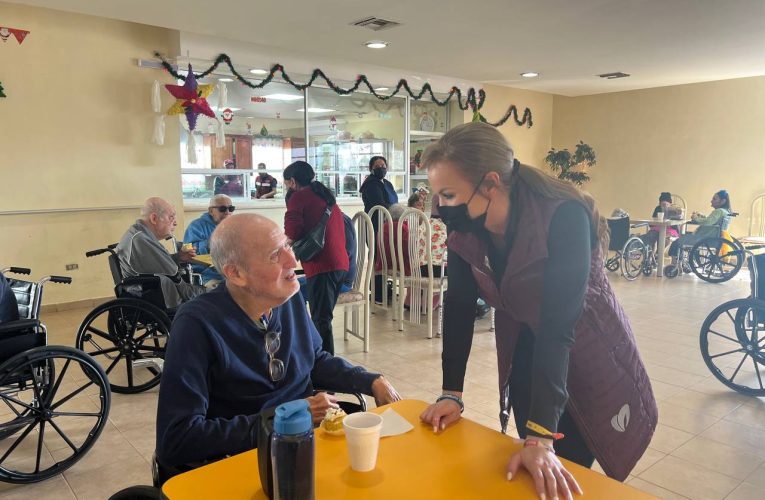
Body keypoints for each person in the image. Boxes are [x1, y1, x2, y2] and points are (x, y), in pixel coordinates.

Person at [418, 122, 657, 499]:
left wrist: (542, 437)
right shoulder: (466, 225)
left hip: (588, 346)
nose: (441, 208)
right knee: (531, 463)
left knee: (570, 464)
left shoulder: (564, 215)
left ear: (490, 184)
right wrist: (451, 393)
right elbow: (460, 305)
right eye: (437, 196)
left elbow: (559, 329)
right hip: (530, 344)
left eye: (448, 194)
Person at [155, 213, 400, 474]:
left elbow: (313, 359)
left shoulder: (287, 297)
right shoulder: (197, 323)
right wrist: (287, 416)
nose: (293, 260)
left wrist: (369, 380)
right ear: (235, 273)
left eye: (287, 246)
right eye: (275, 255)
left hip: (303, 447)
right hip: (244, 462)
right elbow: (177, 439)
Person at [283, 161, 348, 355]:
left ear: (293, 181)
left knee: (321, 319)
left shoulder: (299, 197)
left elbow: (292, 231)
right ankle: (315, 353)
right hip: (339, 263)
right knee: (322, 316)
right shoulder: (325, 195)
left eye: (286, 183)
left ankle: (324, 362)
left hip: (322, 265)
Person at [116, 197, 205, 308]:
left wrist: (179, 257)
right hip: (157, 298)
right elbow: (177, 282)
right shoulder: (141, 240)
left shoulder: (139, 234)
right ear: (154, 218)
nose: (175, 223)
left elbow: (158, 265)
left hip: (147, 291)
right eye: (171, 217)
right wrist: (204, 292)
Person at [359, 156, 398, 302]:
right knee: (377, 257)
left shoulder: (387, 183)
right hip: (375, 224)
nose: (381, 168)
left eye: (383, 165)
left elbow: (393, 200)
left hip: (388, 224)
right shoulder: (370, 185)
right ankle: (376, 291)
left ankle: (385, 288)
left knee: (386, 256)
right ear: (371, 169)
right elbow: (381, 204)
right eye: (377, 166)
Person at [183, 194, 235, 285]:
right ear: (211, 211)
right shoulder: (196, 226)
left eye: (230, 209)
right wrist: (210, 243)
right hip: (207, 273)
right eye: (222, 209)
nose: (227, 212)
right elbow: (188, 251)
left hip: (232, 271)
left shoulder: (235, 225)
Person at [668, 189, 732, 261]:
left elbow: (708, 222)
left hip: (704, 238)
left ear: (723, 201)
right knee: (683, 238)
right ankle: (688, 261)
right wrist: (702, 217)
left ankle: (674, 263)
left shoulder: (718, 211)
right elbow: (712, 221)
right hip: (713, 237)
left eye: (714, 199)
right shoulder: (726, 212)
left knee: (677, 242)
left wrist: (695, 218)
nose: (711, 201)